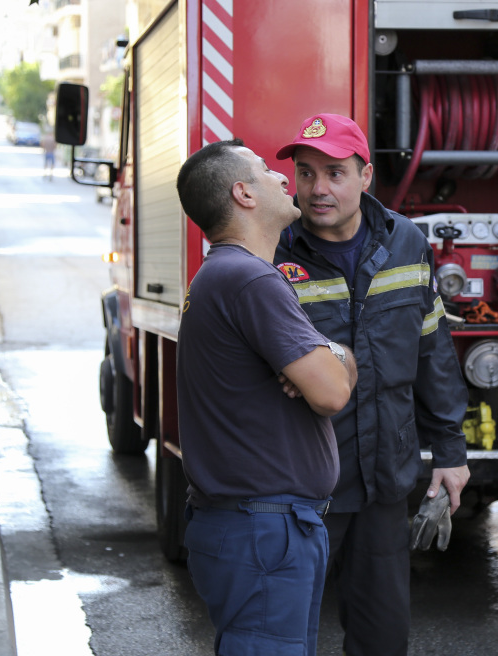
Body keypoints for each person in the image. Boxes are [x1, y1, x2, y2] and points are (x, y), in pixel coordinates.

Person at [273, 113, 470, 656]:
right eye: (305, 172)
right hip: (303, 486)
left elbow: (432, 351)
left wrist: (451, 452)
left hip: (385, 480)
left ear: (366, 177)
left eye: (335, 173)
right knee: (282, 635)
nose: (317, 189)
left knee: (383, 638)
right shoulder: (274, 253)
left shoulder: (406, 243)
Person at [174, 138, 357, 655]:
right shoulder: (251, 279)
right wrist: (330, 356)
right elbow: (332, 391)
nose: (283, 178)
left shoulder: (226, 275)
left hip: (259, 528)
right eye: (263, 171)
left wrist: (327, 356)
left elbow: (331, 372)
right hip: (263, 532)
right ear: (243, 194)